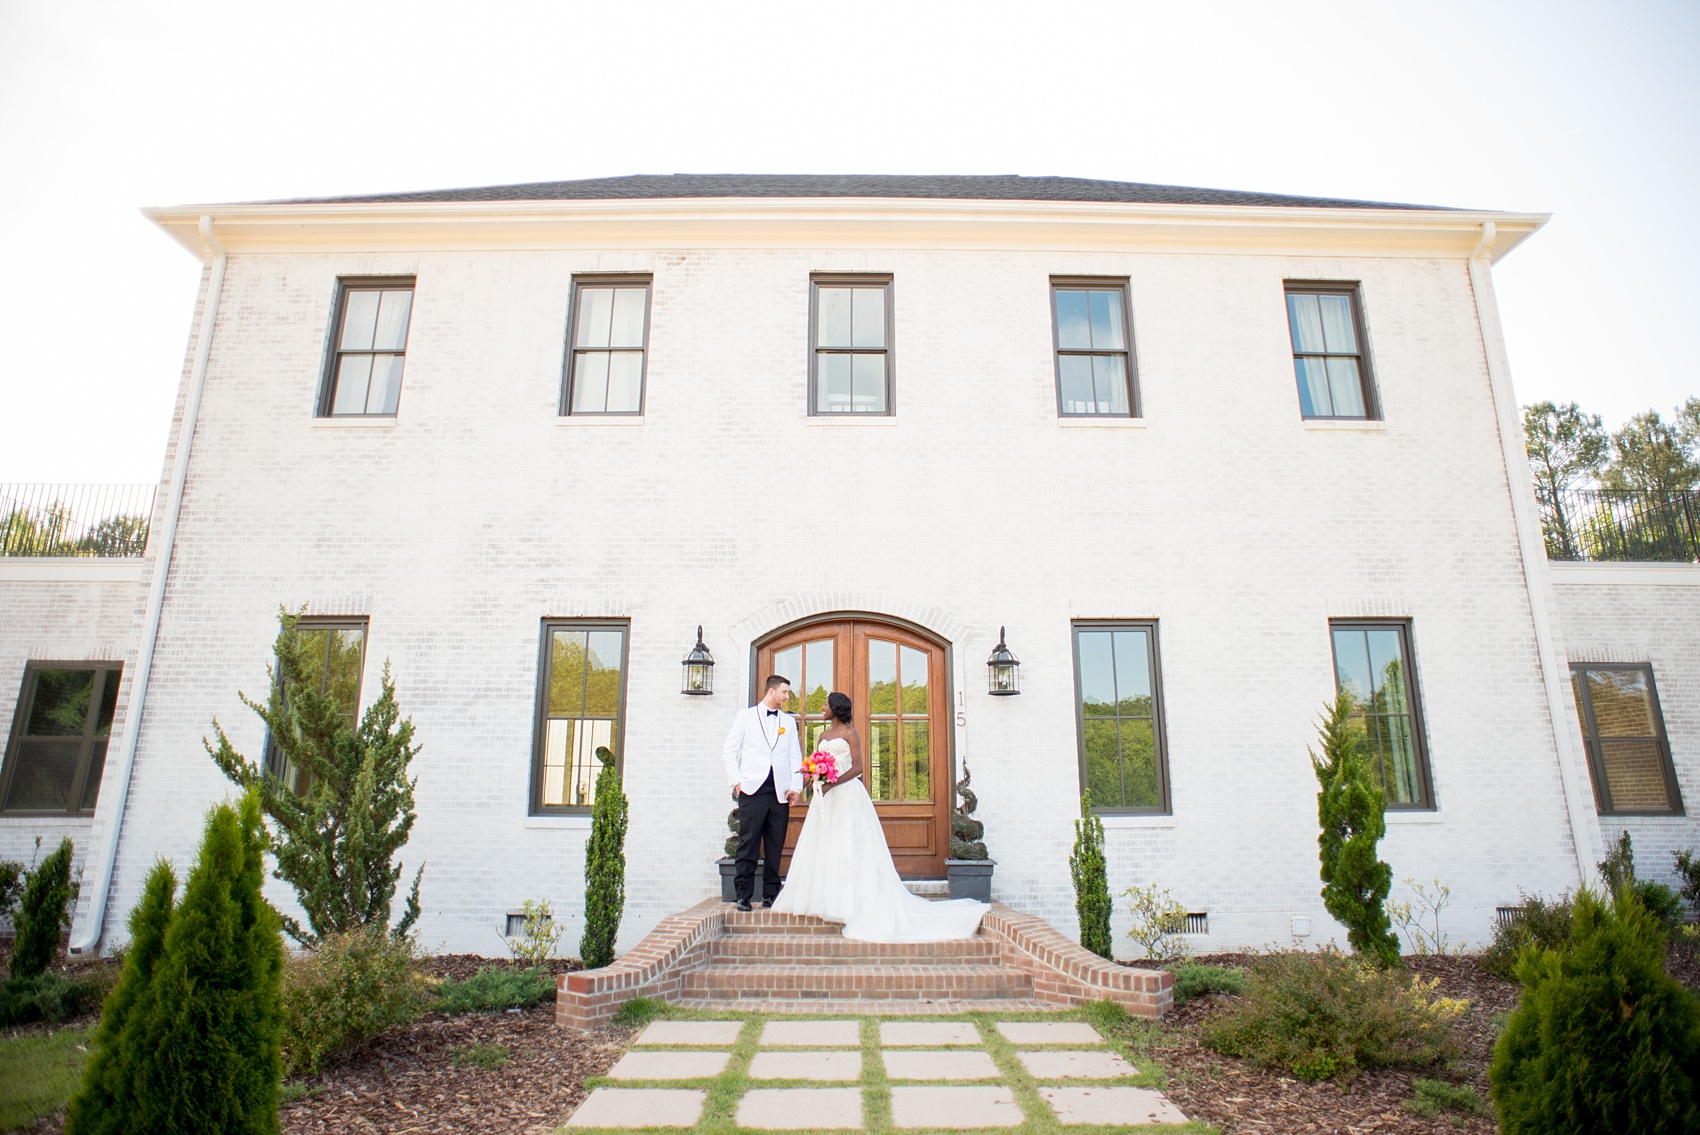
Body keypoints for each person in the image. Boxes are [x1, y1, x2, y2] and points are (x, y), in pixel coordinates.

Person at [772, 691, 986, 941]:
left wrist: (833, 783)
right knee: (826, 844)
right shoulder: (822, 735)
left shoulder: (850, 733)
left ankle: (849, 902)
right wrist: (805, 785)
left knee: (849, 844)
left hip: (847, 796)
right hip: (825, 799)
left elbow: (858, 767)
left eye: (826, 704)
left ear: (837, 708)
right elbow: (815, 767)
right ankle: (825, 899)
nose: (822, 707)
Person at [722, 674, 803, 911]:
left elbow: (794, 757)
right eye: (784, 692)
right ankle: (743, 896)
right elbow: (729, 750)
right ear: (771, 691)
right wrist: (737, 781)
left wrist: (796, 786)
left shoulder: (788, 722)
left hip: (779, 791)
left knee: (775, 845)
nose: (787, 697)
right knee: (748, 843)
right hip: (752, 790)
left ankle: (770, 894)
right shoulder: (745, 717)